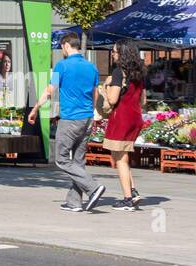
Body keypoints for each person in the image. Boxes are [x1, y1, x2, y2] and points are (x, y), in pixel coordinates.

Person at [28, 33, 106, 213]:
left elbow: (49, 91)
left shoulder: (61, 66)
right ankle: (74, 202)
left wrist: (35, 108)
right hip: (87, 118)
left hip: (70, 118)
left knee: (62, 159)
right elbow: (95, 95)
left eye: (61, 47)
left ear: (65, 45)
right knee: (78, 162)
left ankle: (93, 187)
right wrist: (93, 114)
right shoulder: (92, 67)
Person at [101, 39, 146, 209]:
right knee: (124, 156)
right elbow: (143, 99)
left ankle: (127, 198)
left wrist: (106, 86)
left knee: (119, 158)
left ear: (123, 53)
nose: (113, 54)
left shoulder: (119, 72)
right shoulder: (140, 73)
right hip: (135, 117)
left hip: (121, 118)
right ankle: (132, 191)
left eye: (115, 51)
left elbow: (112, 99)